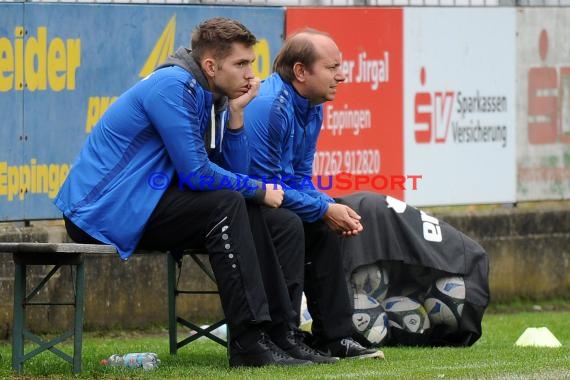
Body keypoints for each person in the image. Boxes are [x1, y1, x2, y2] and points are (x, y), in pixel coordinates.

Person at [54, 18, 330, 368]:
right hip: (101, 212)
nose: (250, 75)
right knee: (230, 203)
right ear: (211, 66)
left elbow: (233, 174)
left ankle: (281, 335)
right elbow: (197, 174)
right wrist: (259, 189)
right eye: (241, 64)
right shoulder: (173, 85)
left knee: (278, 220)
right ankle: (248, 344)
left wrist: (236, 116)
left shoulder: (211, 96)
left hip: (146, 205)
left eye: (252, 64)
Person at [244, 29, 384, 359]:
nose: (342, 75)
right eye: (332, 67)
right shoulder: (269, 106)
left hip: (272, 198)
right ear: (301, 72)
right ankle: (285, 336)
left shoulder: (312, 105)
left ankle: (335, 336)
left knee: (328, 215)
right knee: (294, 222)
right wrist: (322, 209)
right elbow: (267, 186)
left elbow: (300, 179)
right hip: (246, 202)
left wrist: (326, 206)